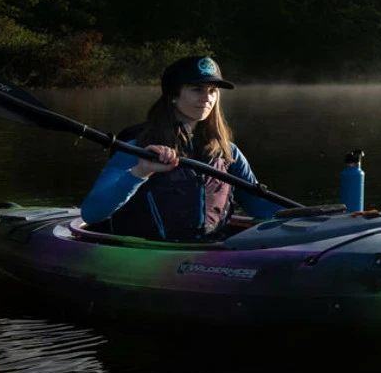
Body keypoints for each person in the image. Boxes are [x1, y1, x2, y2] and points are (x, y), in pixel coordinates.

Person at [81, 55, 280, 241]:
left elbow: (260, 207)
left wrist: (304, 217)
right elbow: (92, 213)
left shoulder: (228, 151)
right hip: (146, 251)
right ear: (173, 95)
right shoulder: (138, 145)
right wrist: (141, 172)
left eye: (212, 91)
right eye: (197, 89)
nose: (207, 98)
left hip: (212, 249)